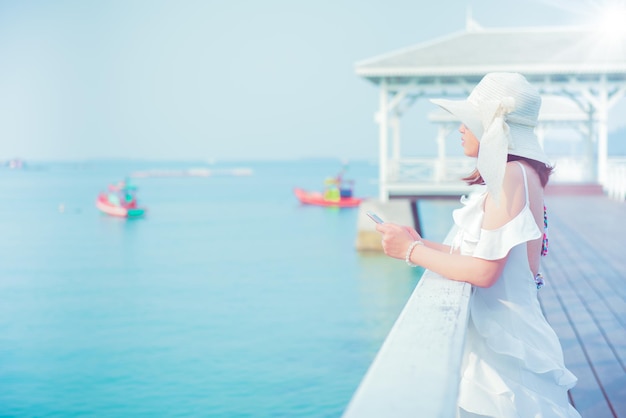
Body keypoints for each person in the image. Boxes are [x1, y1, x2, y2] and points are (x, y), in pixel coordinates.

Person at [375, 73, 580, 417]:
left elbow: (485, 271)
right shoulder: (523, 174)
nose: (459, 128)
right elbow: (486, 256)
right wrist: (420, 241)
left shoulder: (512, 174)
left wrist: (410, 252)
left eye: (468, 121)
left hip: (505, 347)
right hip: (508, 334)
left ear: (493, 128)